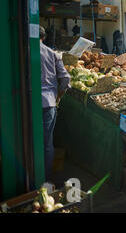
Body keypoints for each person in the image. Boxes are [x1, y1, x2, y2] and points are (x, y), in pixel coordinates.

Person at [40, 26, 71, 181]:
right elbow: (66, 79)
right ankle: (47, 180)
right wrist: (58, 95)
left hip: (29, 104)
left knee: (32, 142)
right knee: (47, 144)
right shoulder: (52, 53)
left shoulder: (23, 51)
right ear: (44, 38)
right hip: (49, 103)